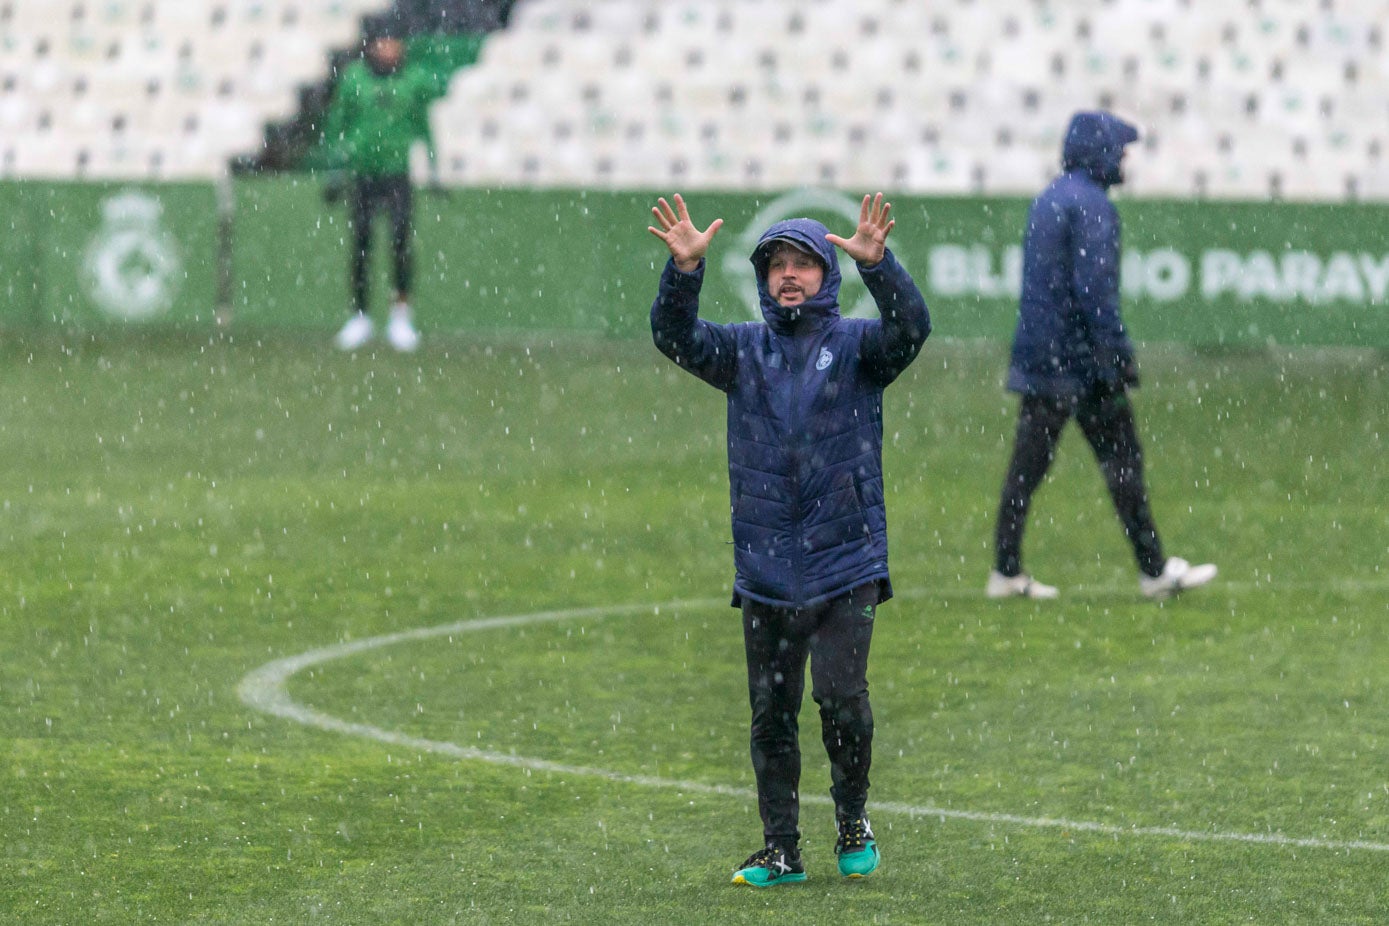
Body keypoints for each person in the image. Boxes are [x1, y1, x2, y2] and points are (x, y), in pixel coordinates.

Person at [648, 192, 930, 886]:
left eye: (803, 262)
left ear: (826, 274)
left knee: (840, 701)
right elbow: (674, 338)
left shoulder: (860, 347)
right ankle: (781, 849)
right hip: (766, 568)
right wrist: (683, 273)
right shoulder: (743, 351)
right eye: (776, 265)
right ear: (762, 278)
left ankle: (852, 819)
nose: (789, 275)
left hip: (846, 563)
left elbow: (913, 328)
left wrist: (882, 267)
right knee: (770, 718)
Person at [988, 110, 1216, 601]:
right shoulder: (1093, 206)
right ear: (1103, 152)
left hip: (1043, 358)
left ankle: (1005, 570)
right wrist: (1115, 354)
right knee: (1123, 463)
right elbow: (1094, 291)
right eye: (1121, 150)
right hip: (1084, 365)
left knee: (1026, 469)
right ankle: (1154, 572)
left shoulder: (1049, 199)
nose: (1126, 159)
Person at [320, 17, 441, 352]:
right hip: (363, 173)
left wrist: (433, 169)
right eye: (383, 41)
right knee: (361, 245)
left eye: (394, 41)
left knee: (401, 243)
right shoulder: (354, 79)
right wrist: (335, 169)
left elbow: (424, 127)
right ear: (372, 45)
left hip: (397, 173)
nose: (388, 48)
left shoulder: (414, 80)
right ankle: (359, 315)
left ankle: (401, 315)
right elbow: (336, 125)